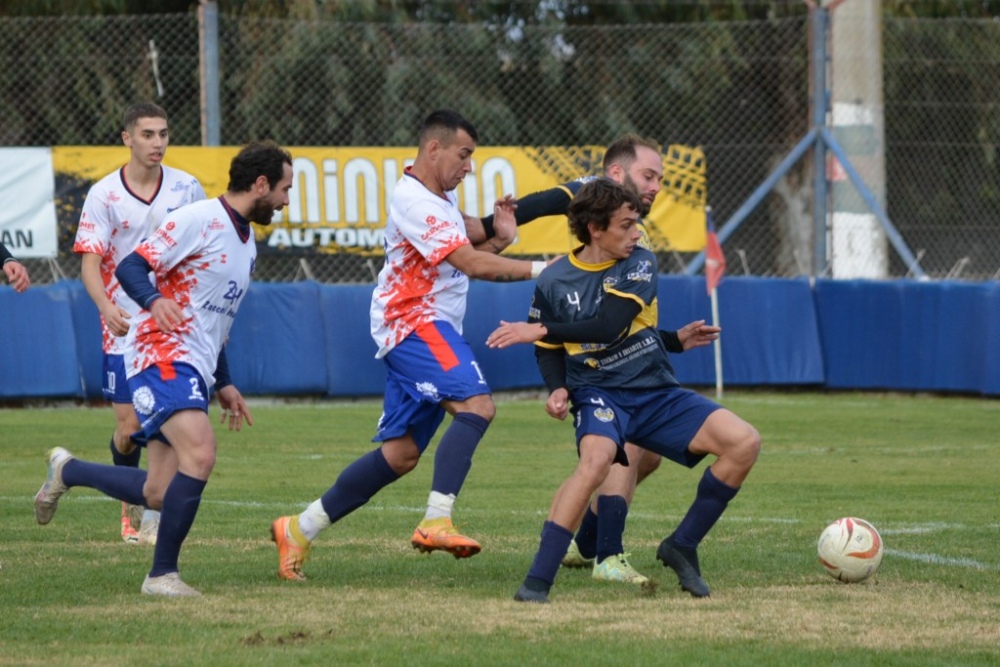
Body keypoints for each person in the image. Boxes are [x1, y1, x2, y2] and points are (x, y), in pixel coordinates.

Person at [269, 109, 547, 582]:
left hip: (423, 327)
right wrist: (547, 269)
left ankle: (299, 527)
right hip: (415, 322)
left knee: (400, 456)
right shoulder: (414, 200)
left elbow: (469, 240)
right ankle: (436, 520)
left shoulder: (437, 200)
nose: (469, 167)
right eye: (464, 155)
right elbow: (469, 262)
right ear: (433, 149)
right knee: (478, 406)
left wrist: (498, 235)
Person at [34, 141, 294, 597]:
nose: (287, 200)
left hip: (195, 363)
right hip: (160, 353)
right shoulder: (199, 219)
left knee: (158, 491)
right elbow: (133, 266)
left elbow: (215, 323)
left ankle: (68, 471)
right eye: (284, 189)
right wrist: (154, 301)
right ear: (260, 185)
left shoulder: (246, 242)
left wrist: (225, 382)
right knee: (201, 453)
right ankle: (161, 576)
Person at [486, 178, 760, 603]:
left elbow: (610, 325)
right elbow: (548, 349)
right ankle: (537, 582)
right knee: (595, 462)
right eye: (626, 225)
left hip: (655, 390)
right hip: (599, 393)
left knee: (744, 442)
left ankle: (681, 545)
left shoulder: (639, 263)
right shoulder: (555, 279)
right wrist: (558, 388)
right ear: (596, 229)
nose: (636, 233)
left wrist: (538, 327)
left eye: (637, 224)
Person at [73, 102, 206, 546]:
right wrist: (105, 307)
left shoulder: (187, 188)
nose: (158, 143)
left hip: (168, 322)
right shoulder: (104, 194)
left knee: (164, 415)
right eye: (148, 134)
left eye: (164, 134)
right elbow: (90, 263)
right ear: (127, 138)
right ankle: (130, 504)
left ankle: (151, 514)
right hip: (123, 321)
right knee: (130, 430)